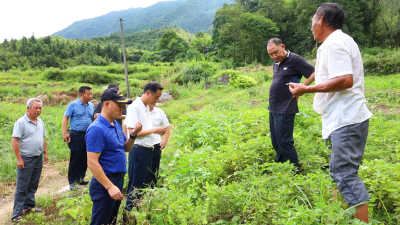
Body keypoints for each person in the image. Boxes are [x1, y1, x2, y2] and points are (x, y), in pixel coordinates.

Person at [289, 3, 372, 223]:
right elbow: (328, 74)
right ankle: (337, 217)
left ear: (321, 20)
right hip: (341, 119)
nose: (311, 28)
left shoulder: (334, 44)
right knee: (338, 173)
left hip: (346, 119)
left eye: (312, 22)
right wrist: (306, 86)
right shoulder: (337, 42)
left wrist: (307, 89)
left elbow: (345, 80)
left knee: (345, 175)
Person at [86, 88, 142, 225]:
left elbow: (126, 147)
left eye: (123, 106)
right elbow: (92, 163)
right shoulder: (97, 129)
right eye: (119, 105)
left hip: (117, 180)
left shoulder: (115, 125)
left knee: (111, 222)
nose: (122, 109)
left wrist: (133, 134)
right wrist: (109, 187)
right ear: (106, 104)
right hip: (105, 183)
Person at [266, 38, 315, 169]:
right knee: (276, 139)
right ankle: (282, 165)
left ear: (282, 46)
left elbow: (313, 73)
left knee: (284, 140)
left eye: (276, 52)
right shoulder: (276, 63)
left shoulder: (295, 60)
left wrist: (302, 88)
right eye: (270, 54)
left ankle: (293, 170)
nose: (274, 56)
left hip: (286, 106)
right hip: (274, 106)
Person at [123, 82, 165, 215]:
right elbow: (133, 132)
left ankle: (137, 214)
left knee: (144, 185)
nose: (157, 100)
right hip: (139, 151)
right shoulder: (135, 107)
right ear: (148, 93)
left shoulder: (145, 107)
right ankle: (128, 215)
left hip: (148, 151)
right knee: (136, 186)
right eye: (156, 97)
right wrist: (155, 130)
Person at [11, 98, 49, 223]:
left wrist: (45, 154)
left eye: (40, 108)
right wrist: (19, 159)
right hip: (26, 159)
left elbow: (42, 138)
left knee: (33, 183)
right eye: (36, 108)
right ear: (28, 108)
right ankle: (16, 214)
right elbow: (15, 141)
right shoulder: (21, 122)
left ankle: (29, 206)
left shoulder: (40, 122)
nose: (38, 110)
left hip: (38, 157)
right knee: (22, 186)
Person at [62, 86, 94, 190]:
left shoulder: (91, 106)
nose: (90, 96)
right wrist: (65, 133)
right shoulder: (73, 105)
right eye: (88, 94)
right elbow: (65, 118)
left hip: (88, 135)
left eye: (91, 94)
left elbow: (93, 119)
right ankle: (72, 181)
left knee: (85, 157)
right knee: (75, 158)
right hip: (76, 135)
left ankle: (80, 178)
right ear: (81, 94)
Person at [146, 102, 171, 187]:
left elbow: (167, 126)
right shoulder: (141, 111)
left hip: (156, 145)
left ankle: (152, 191)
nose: (154, 102)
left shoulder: (159, 112)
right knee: (143, 171)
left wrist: (165, 140)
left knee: (154, 169)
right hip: (143, 146)